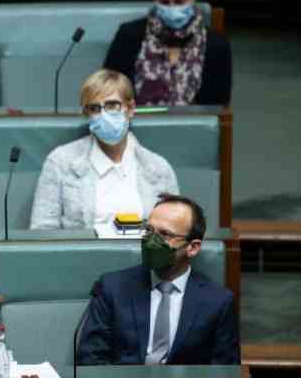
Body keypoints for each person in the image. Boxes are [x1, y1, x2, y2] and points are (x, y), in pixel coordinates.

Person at [78, 194, 240, 365]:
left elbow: (224, 369)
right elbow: (91, 358)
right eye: (149, 230)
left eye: (165, 234)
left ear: (192, 248)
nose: (151, 242)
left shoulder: (218, 302)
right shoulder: (113, 287)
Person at [30, 69, 178, 230]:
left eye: (112, 105)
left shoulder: (158, 168)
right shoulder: (61, 162)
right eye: (94, 108)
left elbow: (175, 230)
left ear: (130, 109)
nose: (103, 115)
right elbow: (43, 230)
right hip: (82, 254)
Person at [104, 0, 231, 106]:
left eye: (180, 1)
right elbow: (108, 94)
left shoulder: (215, 45)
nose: (172, 9)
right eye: (164, 2)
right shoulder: (129, 36)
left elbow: (217, 108)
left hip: (192, 127)